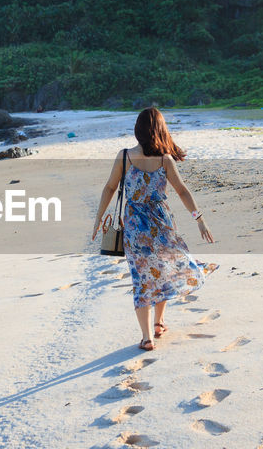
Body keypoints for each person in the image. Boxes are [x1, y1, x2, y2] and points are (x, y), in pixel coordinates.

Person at [92, 107, 215, 351]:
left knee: (141, 278)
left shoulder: (125, 156)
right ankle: (159, 323)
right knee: (164, 270)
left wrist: (98, 219)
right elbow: (182, 191)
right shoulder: (165, 160)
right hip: (162, 223)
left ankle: (148, 336)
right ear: (160, 130)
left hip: (135, 226)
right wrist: (198, 218)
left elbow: (109, 188)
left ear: (138, 131)